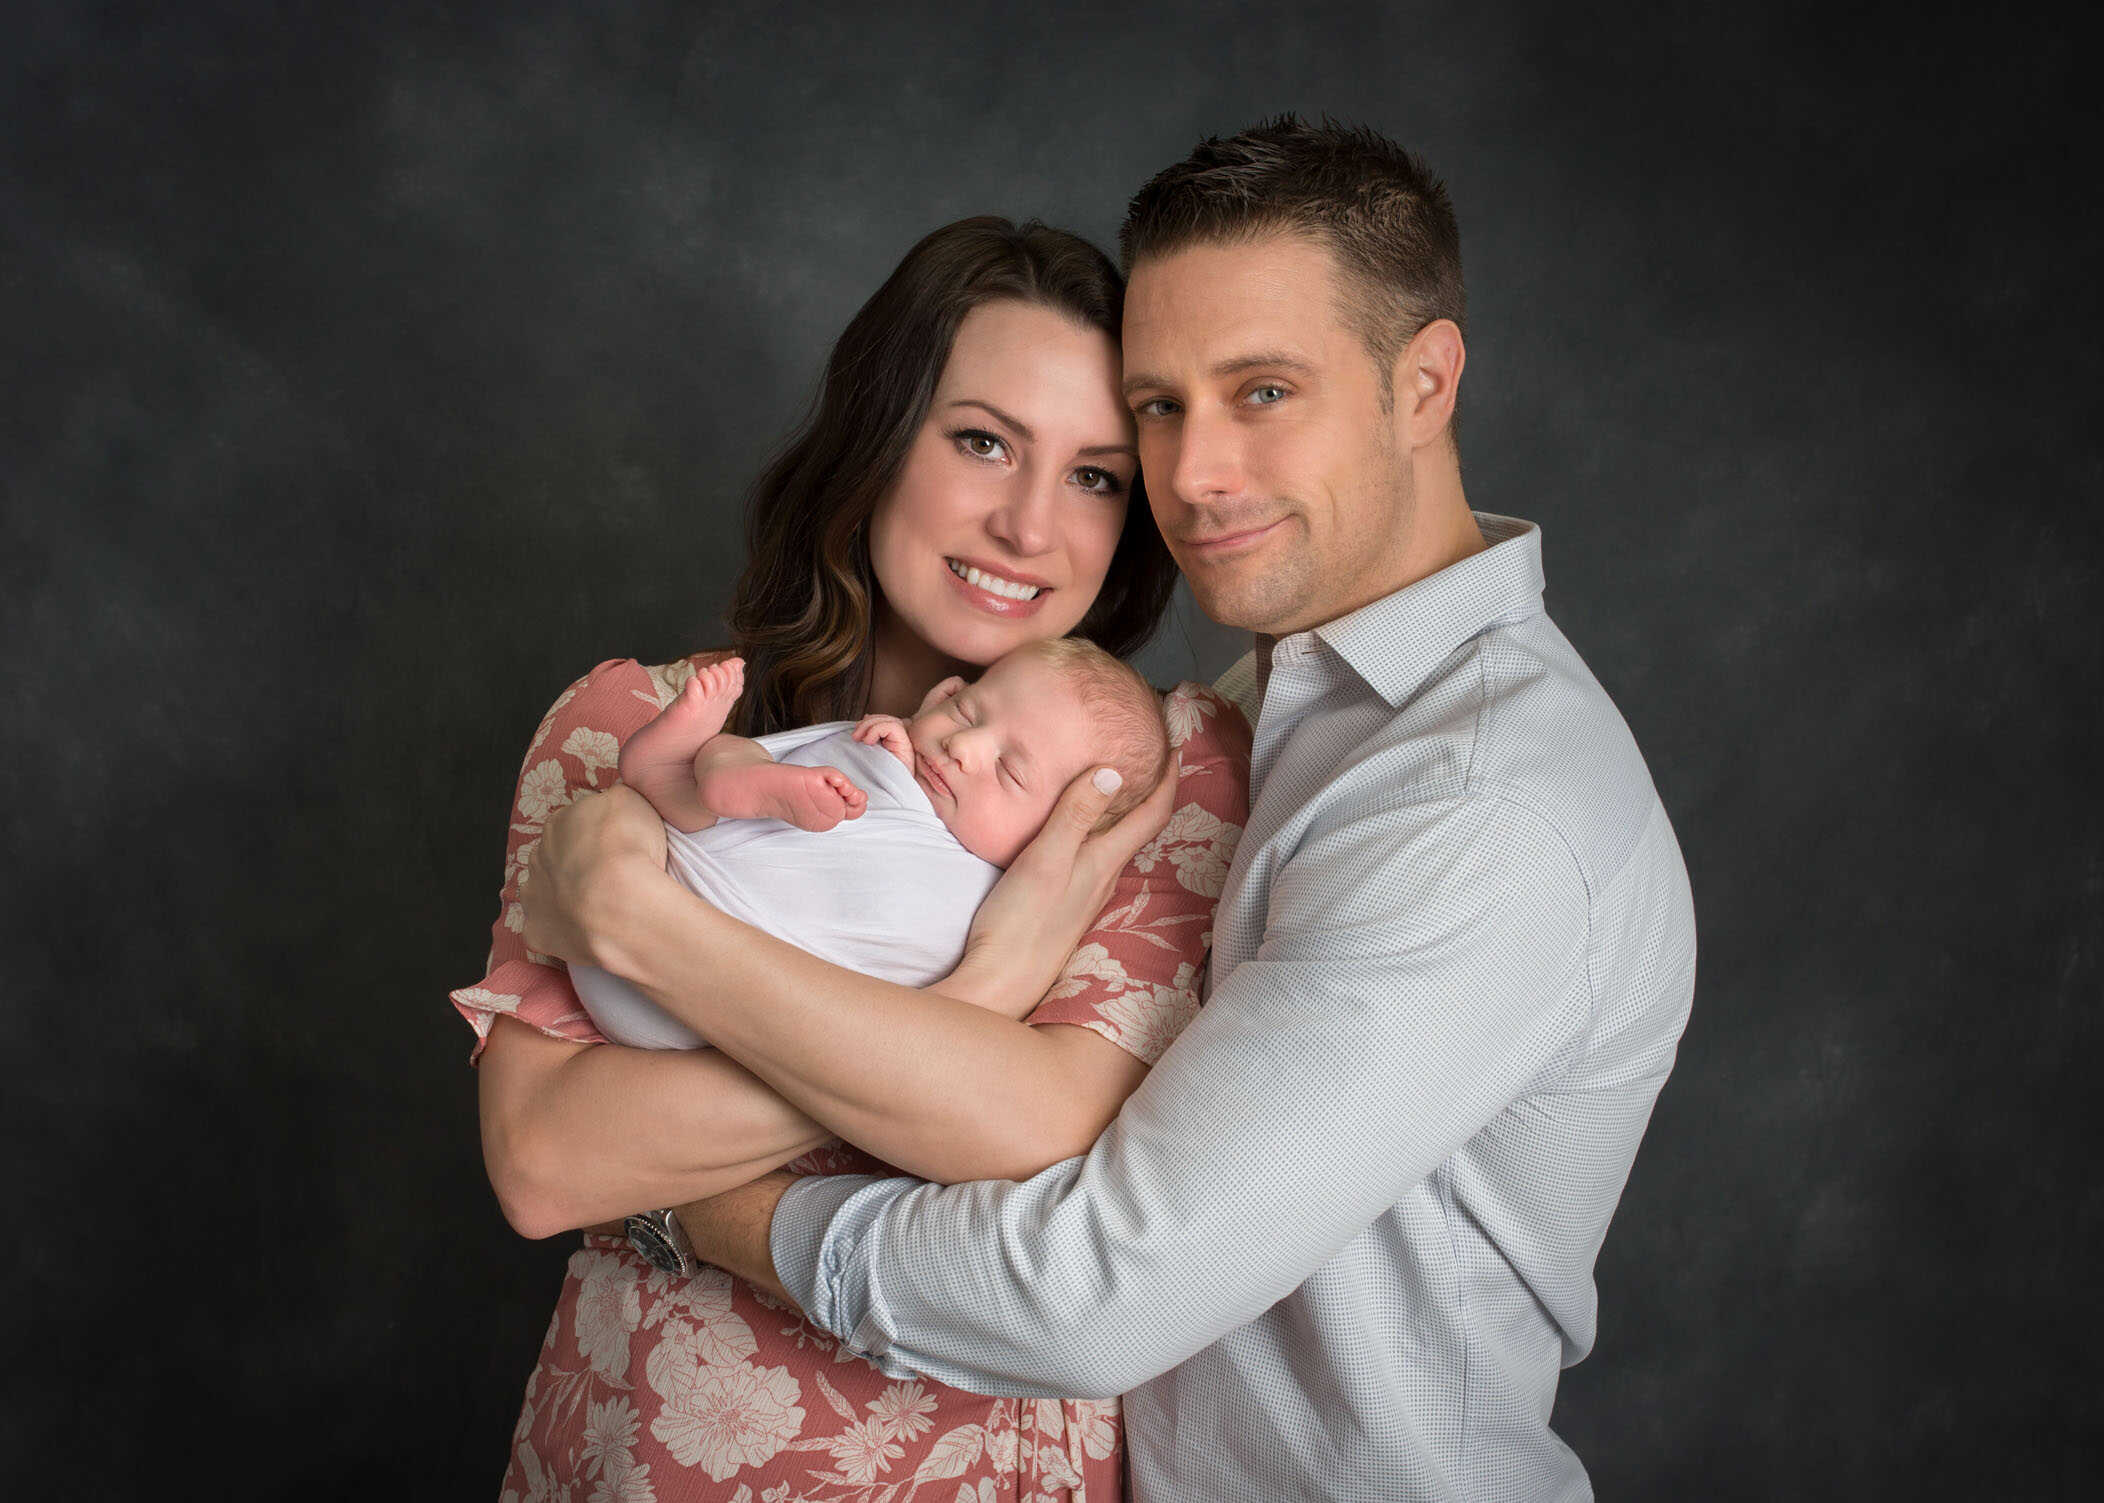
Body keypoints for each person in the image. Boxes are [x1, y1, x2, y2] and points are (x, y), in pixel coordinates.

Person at [522, 118, 1699, 1500]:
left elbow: (1085, 1286)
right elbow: (544, 1155)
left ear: (1424, 380)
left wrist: (679, 1147)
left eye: (1263, 391)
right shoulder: (1262, 717)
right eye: (1159, 407)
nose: (1191, 475)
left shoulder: (1461, 797)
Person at [453, 216, 1251, 1500]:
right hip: (648, 1448)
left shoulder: (1149, 782)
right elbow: (545, 1165)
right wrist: (978, 1000)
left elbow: (1037, 1122)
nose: (1028, 526)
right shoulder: (634, 727)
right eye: (982, 441)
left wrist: (656, 942)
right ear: (879, 442)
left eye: (1098, 477)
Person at [573, 640, 1170, 1050]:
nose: (964, 748)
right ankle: (690, 770)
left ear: (1062, 829)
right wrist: (886, 751)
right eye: (965, 714)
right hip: (645, 913)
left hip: (702, 998)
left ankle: (704, 774)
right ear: (942, 695)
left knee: (758, 784)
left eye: (1010, 772)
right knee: (745, 764)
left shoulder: (1008, 899)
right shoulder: (891, 751)